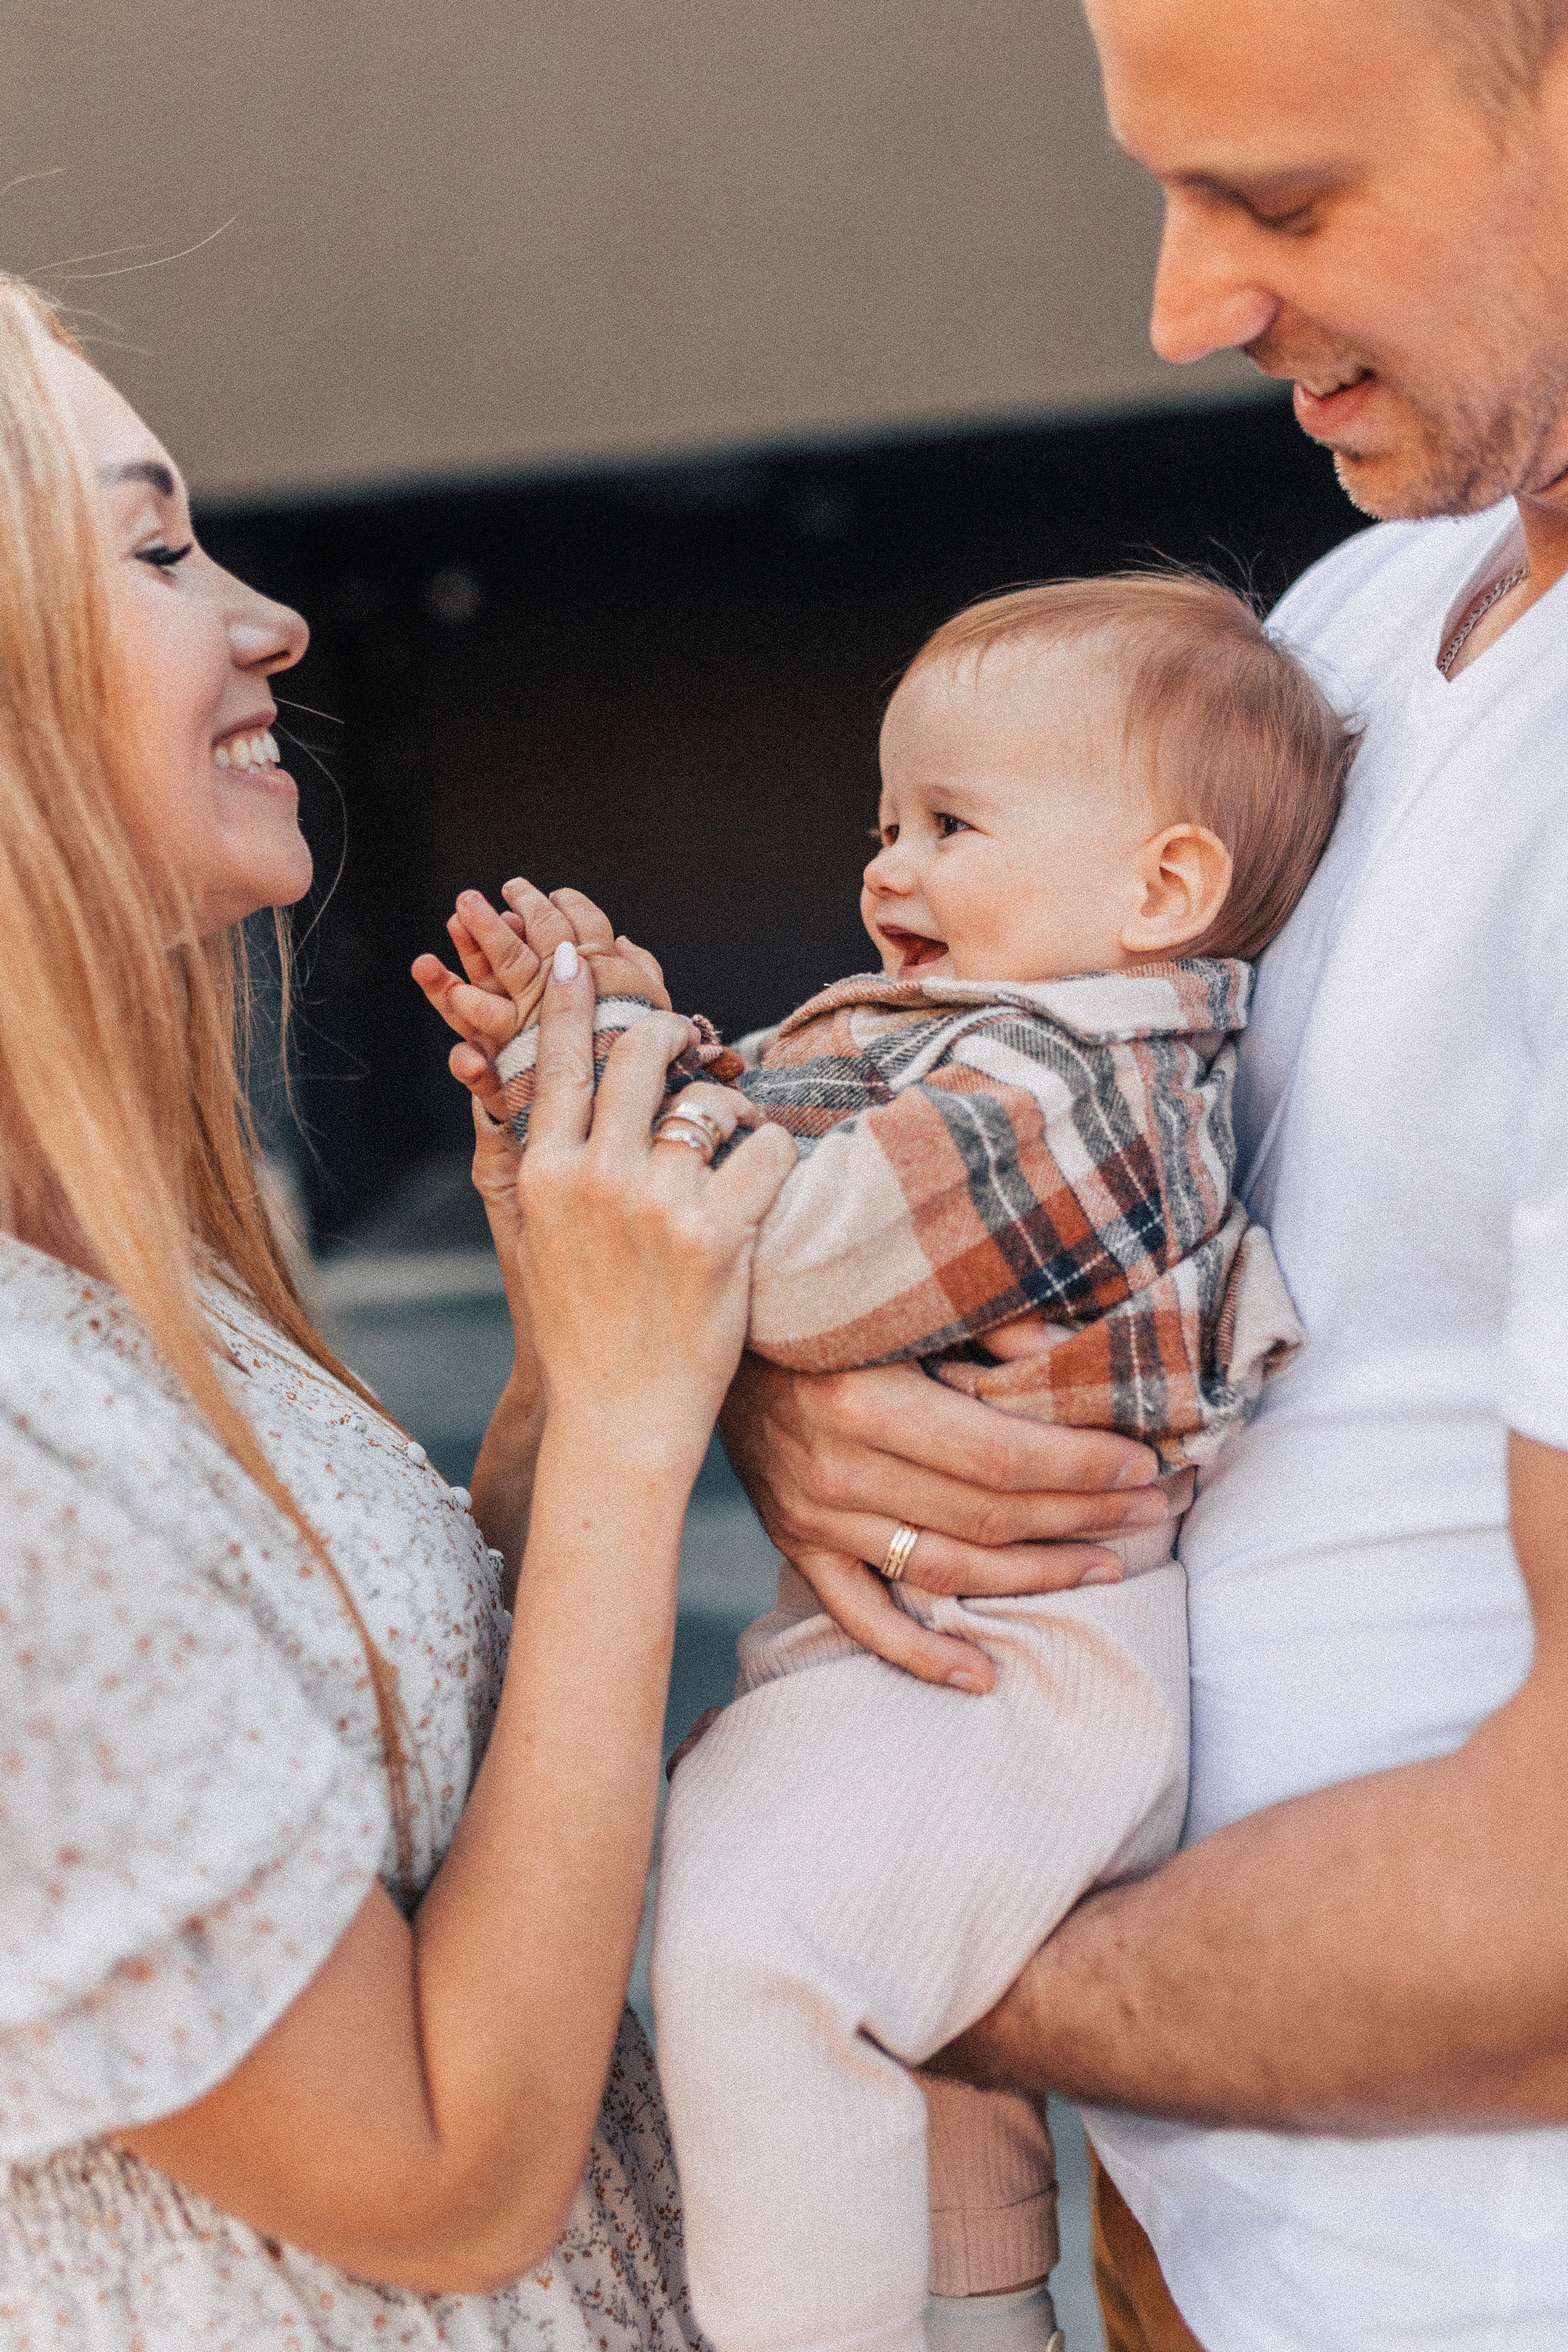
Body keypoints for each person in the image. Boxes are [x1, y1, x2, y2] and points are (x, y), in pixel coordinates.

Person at [665, 4, 1568, 2348]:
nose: (1183, 312)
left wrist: (882, 1961)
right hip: (1215, 2251)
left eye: (1281, 203)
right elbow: (1112, 1164)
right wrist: (829, 1396)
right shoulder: (1370, 623)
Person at [0, 273, 815, 2350]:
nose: (268, 619)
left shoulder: (121, 1260)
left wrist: (569, 1332)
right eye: (157, 547)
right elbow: (442, 2172)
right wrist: (634, 1428)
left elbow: (452, 1797)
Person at [413, 573, 1348, 2352]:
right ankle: (983, 2320)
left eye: (948, 824)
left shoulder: (1089, 1095)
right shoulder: (957, 1040)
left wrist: (600, 1071)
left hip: (1026, 1669)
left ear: (1161, 887)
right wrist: (575, 1065)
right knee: (909, 2014)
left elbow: (775, 1250)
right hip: (953, 1649)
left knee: (761, 1958)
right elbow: (713, 1157)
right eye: (882, 820)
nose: (887, 868)